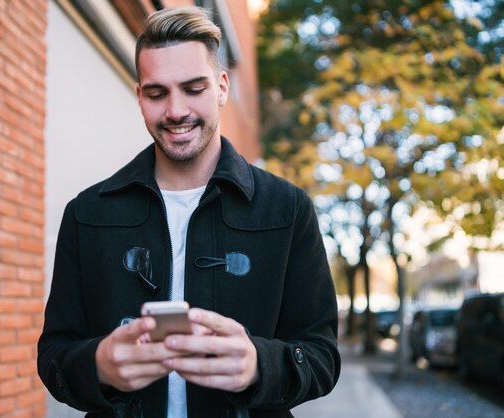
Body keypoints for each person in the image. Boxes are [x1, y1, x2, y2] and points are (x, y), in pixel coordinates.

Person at [38, 6, 340, 418]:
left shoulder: (288, 209)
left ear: (221, 87)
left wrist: (258, 365)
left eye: (193, 88)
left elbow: (323, 357)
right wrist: (99, 366)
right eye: (158, 93)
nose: (176, 111)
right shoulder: (86, 213)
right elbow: (54, 355)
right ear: (140, 96)